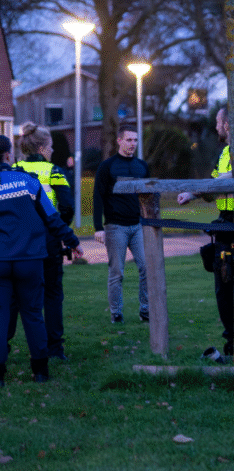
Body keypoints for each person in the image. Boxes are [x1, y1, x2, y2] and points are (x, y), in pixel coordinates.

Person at [177, 107, 234, 355]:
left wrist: (197, 191)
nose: (216, 127)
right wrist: (195, 194)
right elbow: (216, 184)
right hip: (225, 224)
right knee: (224, 291)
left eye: (218, 122)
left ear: (227, 125)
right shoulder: (225, 152)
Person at [0, 135, 83, 386]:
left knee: (1, 315)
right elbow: (52, 217)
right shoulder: (29, 182)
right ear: (8, 155)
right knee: (33, 314)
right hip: (30, 259)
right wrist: (73, 241)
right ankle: (40, 371)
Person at [8, 123, 74, 360]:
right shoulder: (54, 171)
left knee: (14, 297)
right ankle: (55, 348)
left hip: (19, 243)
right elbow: (67, 207)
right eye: (51, 146)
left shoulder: (13, 170)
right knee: (53, 294)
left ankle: (4, 345)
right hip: (48, 240)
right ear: (42, 147)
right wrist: (59, 232)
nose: (53, 150)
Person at [94, 125, 150, 324]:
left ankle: (146, 311)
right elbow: (98, 197)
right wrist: (98, 228)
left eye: (135, 140)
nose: (132, 143)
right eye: (129, 140)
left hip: (138, 226)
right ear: (119, 141)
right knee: (117, 272)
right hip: (115, 227)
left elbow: (148, 196)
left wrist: (148, 221)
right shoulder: (107, 166)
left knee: (146, 268)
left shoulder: (142, 166)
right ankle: (116, 313)